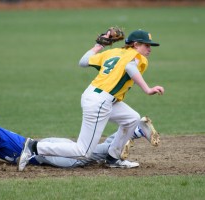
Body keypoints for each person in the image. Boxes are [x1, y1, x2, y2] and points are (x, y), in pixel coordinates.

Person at [18, 28, 164, 171]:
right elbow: (130, 67)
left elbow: (83, 61)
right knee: (83, 151)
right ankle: (34, 147)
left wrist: (98, 46)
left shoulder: (112, 52)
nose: (149, 48)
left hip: (94, 96)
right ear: (135, 45)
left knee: (132, 118)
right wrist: (147, 89)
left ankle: (113, 158)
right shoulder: (136, 57)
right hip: (100, 101)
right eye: (146, 45)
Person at [0, 109, 159, 168]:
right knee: (95, 152)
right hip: (45, 147)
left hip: (47, 153)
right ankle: (133, 130)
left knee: (87, 157)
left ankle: (135, 130)